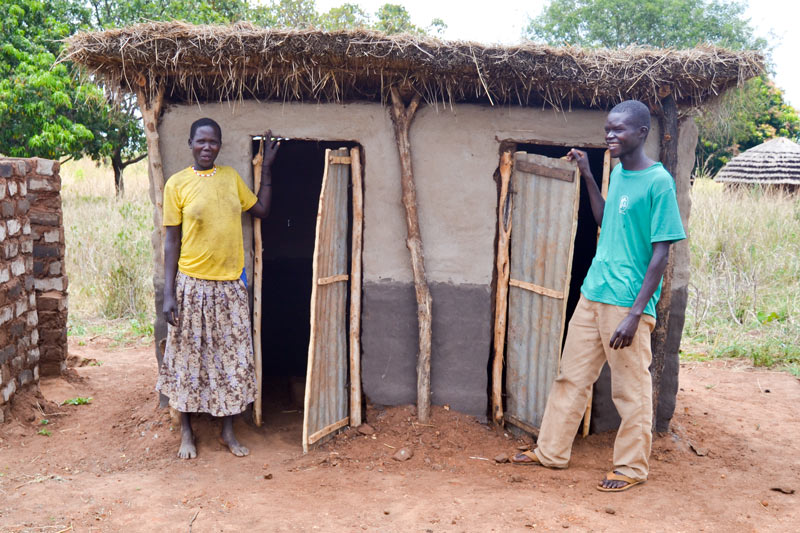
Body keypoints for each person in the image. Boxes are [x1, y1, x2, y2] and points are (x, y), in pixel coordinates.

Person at [509, 100, 686, 492]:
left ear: (642, 132)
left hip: (625, 302)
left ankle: (630, 468)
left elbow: (661, 253)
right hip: (594, 291)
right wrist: (589, 175)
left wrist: (635, 314)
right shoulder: (620, 172)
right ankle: (551, 452)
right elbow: (607, 220)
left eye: (619, 129)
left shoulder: (659, 182)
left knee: (630, 389)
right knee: (570, 376)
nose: (610, 135)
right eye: (608, 128)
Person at [156, 118, 279, 459]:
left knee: (231, 360)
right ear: (190, 143)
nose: (207, 147)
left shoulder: (231, 179)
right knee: (186, 359)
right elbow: (171, 241)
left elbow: (263, 211)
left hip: (229, 287)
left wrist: (266, 167)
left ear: (220, 146)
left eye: (213, 142)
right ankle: (186, 432)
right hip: (191, 286)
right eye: (201, 141)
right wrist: (169, 294)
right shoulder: (177, 185)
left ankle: (228, 431)